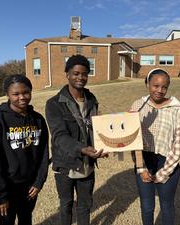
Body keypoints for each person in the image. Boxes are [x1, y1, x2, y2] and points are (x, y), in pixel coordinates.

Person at [45, 54, 107, 225]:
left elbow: (95, 127)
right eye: (76, 73)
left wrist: (105, 144)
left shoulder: (91, 100)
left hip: (87, 163)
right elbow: (59, 136)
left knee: (85, 204)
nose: (81, 77)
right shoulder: (54, 103)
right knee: (66, 205)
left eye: (85, 74)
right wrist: (82, 148)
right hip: (65, 164)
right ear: (67, 74)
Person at [0, 74, 49, 225]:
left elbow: (44, 154)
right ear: (7, 94)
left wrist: (39, 182)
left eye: (26, 92)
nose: (22, 97)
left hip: (30, 186)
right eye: (16, 94)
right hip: (7, 187)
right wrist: (0, 196)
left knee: (26, 219)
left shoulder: (38, 119)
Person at [131, 69, 180, 225]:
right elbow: (133, 140)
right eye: (155, 85)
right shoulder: (138, 105)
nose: (159, 91)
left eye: (164, 87)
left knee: (167, 206)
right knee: (147, 207)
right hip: (145, 162)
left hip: (167, 163)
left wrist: (164, 173)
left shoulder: (176, 109)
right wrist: (141, 168)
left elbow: (179, 144)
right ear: (148, 84)